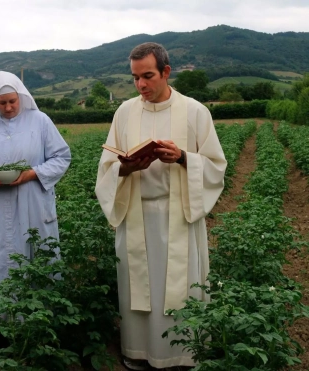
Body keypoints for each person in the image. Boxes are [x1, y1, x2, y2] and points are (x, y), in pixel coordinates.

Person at [95, 43, 227, 369]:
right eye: (136, 78)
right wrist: (126, 167)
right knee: (141, 293)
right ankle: (139, 353)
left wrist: (182, 157)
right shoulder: (124, 112)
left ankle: (182, 356)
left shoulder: (195, 112)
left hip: (178, 215)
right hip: (137, 215)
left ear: (166, 72)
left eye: (148, 76)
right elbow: (107, 168)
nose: (141, 85)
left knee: (180, 288)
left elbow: (215, 166)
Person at [0, 71, 71, 319]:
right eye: (2, 103)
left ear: (21, 97)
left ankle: (36, 321)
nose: (9, 107)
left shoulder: (40, 121)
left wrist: (33, 173)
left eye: (12, 101)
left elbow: (62, 157)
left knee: (34, 254)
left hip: (31, 201)